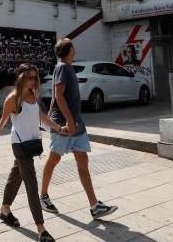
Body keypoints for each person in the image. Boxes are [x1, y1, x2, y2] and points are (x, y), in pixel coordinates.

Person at [40, 38, 117, 219]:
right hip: (65, 125)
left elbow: (57, 96)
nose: (75, 47)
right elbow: (58, 95)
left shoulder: (68, 67)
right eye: (72, 44)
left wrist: (72, 120)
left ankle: (94, 205)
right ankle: (43, 195)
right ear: (69, 50)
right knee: (54, 159)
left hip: (77, 125)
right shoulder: (62, 67)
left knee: (83, 163)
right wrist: (64, 121)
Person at [0, 63, 64, 242]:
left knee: (16, 176)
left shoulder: (32, 94)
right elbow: (2, 121)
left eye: (35, 77)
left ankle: (5, 210)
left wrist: (58, 128)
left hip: (32, 143)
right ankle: (41, 229)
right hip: (20, 146)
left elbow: (41, 117)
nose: (33, 81)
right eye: (29, 77)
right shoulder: (13, 99)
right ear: (21, 77)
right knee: (32, 185)